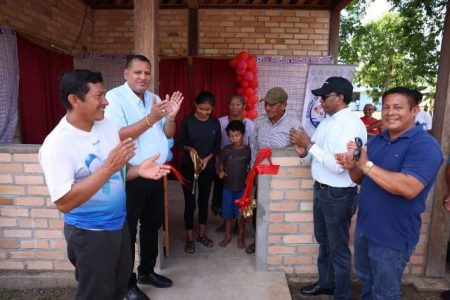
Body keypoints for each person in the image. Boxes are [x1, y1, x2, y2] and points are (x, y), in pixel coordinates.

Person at [38, 69, 170, 300]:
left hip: (119, 227)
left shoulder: (106, 125)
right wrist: (108, 167)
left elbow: (117, 173)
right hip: (90, 233)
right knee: (96, 294)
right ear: (74, 100)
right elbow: (64, 202)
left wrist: (137, 170)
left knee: (118, 288)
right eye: (98, 96)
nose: (106, 102)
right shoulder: (57, 144)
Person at [336, 87, 443, 300]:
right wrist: (352, 166)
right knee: (366, 283)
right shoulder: (377, 141)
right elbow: (360, 179)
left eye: (398, 107)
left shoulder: (425, 145)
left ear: (414, 110)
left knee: (384, 293)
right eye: (386, 107)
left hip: (392, 237)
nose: (390, 112)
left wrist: (365, 164)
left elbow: (409, 188)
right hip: (366, 230)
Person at [105, 55, 183, 299]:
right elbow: (118, 134)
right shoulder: (114, 98)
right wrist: (152, 118)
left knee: (152, 225)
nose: (143, 77)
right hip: (132, 174)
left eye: (147, 73)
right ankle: (127, 284)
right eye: (137, 72)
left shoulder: (155, 98)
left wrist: (170, 117)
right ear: (126, 72)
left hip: (155, 173)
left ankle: (146, 271)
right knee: (127, 231)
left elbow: (168, 134)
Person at [290, 77, 367, 299]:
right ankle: (326, 283)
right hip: (322, 190)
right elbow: (312, 156)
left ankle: (341, 294)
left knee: (338, 249)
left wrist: (310, 145)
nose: (321, 102)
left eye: (325, 97)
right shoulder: (326, 122)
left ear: (340, 98)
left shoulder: (352, 125)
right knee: (325, 243)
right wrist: (302, 149)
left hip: (338, 194)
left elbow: (337, 167)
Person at [248, 86, 301, 254]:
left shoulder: (294, 125)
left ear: (284, 105)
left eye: (272, 104)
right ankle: (258, 242)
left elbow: (300, 152)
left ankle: (277, 246)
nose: (268, 108)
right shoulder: (260, 122)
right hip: (261, 175)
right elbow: (254, 147)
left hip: (282, 178)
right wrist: (252, 172)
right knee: (258, 210)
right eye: (266, 104)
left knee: (277, 211)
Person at [179, 91, 221, 254]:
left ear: (212, 109)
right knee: (190, 203)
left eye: (208, 110)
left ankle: (201, 235)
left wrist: (208, 158)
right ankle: (190, 237)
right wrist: (190, 150)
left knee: (204, 201)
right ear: (195, 105)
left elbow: (217, 146)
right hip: (188, 167)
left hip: (206, 167)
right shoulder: (187, 121)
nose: (204, 112)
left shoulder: (215, 123)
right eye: (201, 109)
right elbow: (181, 142)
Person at [212, 93, 254, 228]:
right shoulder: (220, 122)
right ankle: (225, 222)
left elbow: (252, 147)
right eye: (231, 104)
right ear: (227, 106)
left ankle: (238, 223)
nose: (234, 107)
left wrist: (250, 170)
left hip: (241, 169)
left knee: (241, 196)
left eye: (238, 104)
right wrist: (220, 168)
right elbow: (216, 145)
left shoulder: (250, 124)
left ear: (243, 106)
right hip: (223, 166)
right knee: (224, 196)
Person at [218, 120, 251, 248]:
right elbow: (221, 163)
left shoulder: (248, 151)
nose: (234, 138)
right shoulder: (226, 150)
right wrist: (221, 171)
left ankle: (241, 237)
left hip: (243, 190)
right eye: (231, 136)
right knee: (227, 215)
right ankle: (228, 236)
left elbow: (252, 166)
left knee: (242, 215)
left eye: (237, 135)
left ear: (243, 134)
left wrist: (250, 177)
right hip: (228, 188)